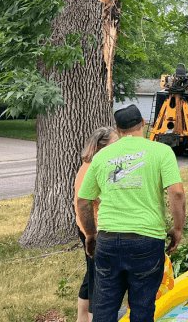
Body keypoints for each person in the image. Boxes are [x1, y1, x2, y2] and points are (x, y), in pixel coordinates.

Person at [77, 105, 186, 322]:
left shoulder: (101, 157)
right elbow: (177, 193)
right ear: (143, 123)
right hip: (147, 240)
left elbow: (82, 201)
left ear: (117, 129)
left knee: (105, 309)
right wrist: (178, 228)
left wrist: (90, 234)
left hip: (108, 240)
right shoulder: (161, 152)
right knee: (142, 309)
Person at [75, 126, 119, 322]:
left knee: (90, 275)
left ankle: (81, 318)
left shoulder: (91, 164)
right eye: (114, 144)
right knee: (99, 281)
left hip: (87, 227)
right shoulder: (93, 168)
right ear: (102, 146)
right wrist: (92, 234)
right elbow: (84, 202)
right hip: (93, 229)